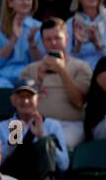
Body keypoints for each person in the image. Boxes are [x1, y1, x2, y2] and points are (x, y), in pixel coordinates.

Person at [20, 18, 90, 152]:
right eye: (48, 39)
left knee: (49, 146)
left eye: (58, 38)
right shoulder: (31, 69)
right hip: (33, 123)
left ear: (67, 39)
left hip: (69, 125)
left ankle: (50, 172)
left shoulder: (81, 67)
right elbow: (20, 105)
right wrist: (38, 81)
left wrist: (62, 71)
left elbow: (79, 102)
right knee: (12, 139)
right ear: (43, 42)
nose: (53, 43)